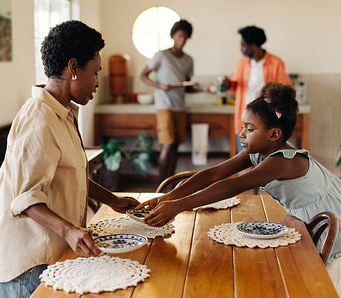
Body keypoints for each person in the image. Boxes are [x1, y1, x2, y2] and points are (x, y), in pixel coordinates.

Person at [0, 20, 140, 298]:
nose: (98, 82)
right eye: (95, 72)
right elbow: (26, 197)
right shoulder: (38, 119)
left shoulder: (63, 113)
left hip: (46, 250)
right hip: (27, 260)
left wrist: (112, 200)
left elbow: (72, 172)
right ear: (73, 69)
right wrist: (69, 231)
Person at [136, 82, 341, 293]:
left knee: (319, 281)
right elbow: (215, 173)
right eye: (243, 126)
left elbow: (231, 186)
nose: (241, 133)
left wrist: (177, 206)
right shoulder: (259, 150)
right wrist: (168, 198)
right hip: (304, 213)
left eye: (250, 129)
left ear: (274, 135)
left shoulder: (281, 161)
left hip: (328, 215)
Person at [140, 19, 197, 182]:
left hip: (180, 107)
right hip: (164, 106)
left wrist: (204, 89)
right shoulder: (161, 55)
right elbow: (143, 75)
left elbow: (187, 86)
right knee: (167, 145)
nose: (182, 40)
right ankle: (161, 186)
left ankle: (169, 185)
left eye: (185, 37)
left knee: (175, 147)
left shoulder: (188, 60)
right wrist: (159, 85)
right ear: (173, 36)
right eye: (180, 36)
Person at [225, 25, 292, 152]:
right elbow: (234, 85)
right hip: (244, 116)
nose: (241, 49)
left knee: (264, 158)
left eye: (243, 45)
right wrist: (228, 83)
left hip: (265, 118)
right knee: (244, 157)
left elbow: (286, 89)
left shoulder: (276, 63)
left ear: (253, 45)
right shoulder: (242, 63)